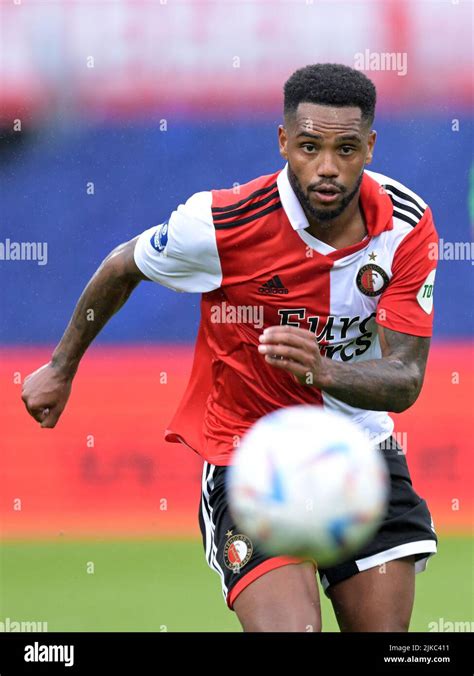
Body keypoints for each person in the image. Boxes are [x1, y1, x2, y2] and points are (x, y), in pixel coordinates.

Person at [21, 63, 438, 632]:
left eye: (345, 149)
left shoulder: (406, 226)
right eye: (310, 147)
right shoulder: (219, 222)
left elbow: (406, 379)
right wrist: (61, 367)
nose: (327, 168)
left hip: (359, 453)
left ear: (369, 146)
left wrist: (323, 372)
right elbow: (123, 265)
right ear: (284, 142)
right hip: (251, 456)